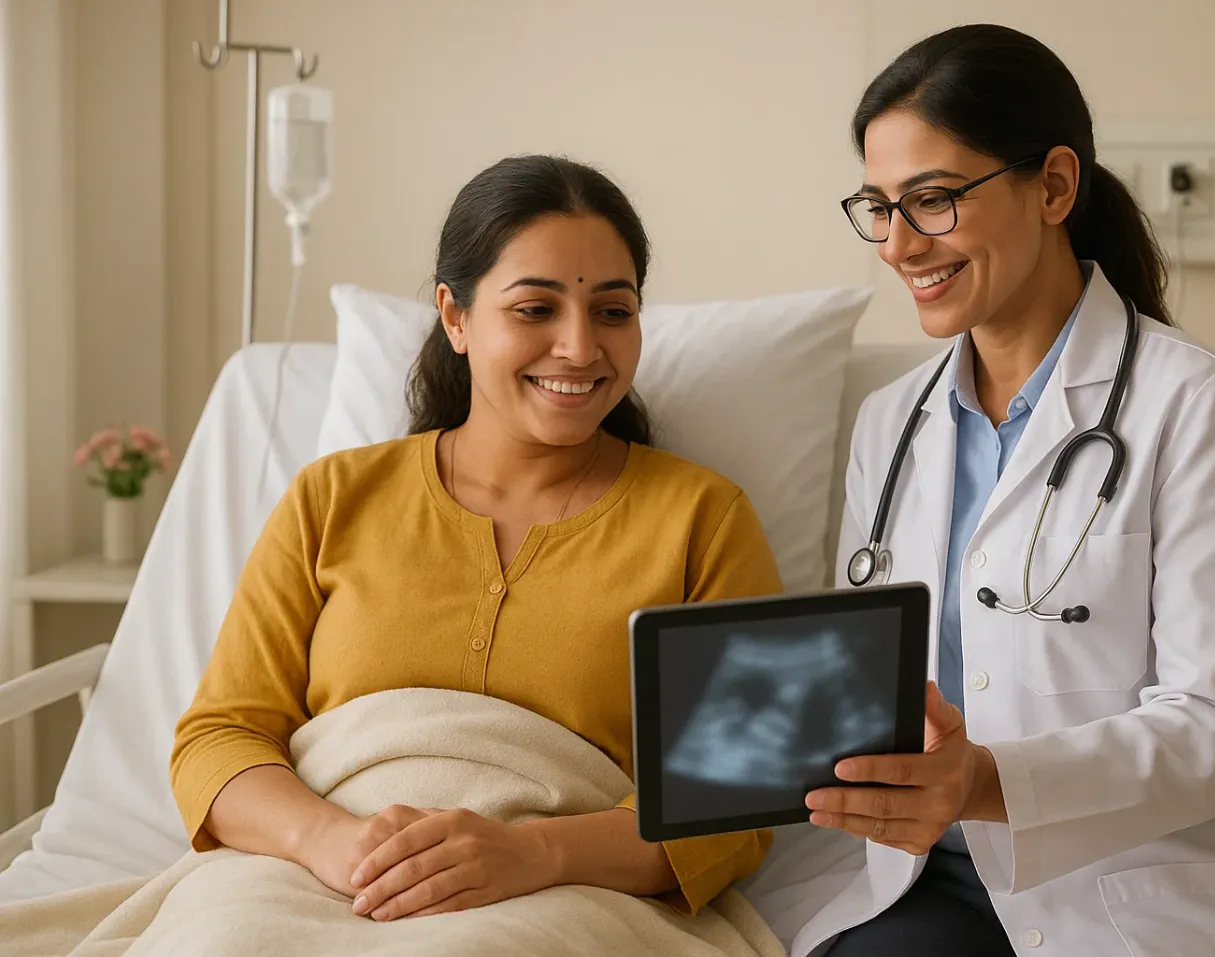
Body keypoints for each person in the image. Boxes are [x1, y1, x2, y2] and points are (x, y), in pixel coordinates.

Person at [794, 24, 1215, 957]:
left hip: (1140, 890)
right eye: (878, 207)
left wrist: (985, 780)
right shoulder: (892, 424)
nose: (897, 244)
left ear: (1052, 185)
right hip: (931, 873)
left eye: (932, 201)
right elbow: (875, 680)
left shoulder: (1201, 405)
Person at [170, 154, 782, 923]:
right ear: (455, 317)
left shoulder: (703, 519)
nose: (579, 347)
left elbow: (735, 800)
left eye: (613, 312)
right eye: (536, 309)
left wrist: (534, 853)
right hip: (308, 877)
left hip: (565, 897)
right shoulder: (331, 498)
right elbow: (219, 737)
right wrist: (335, 842)